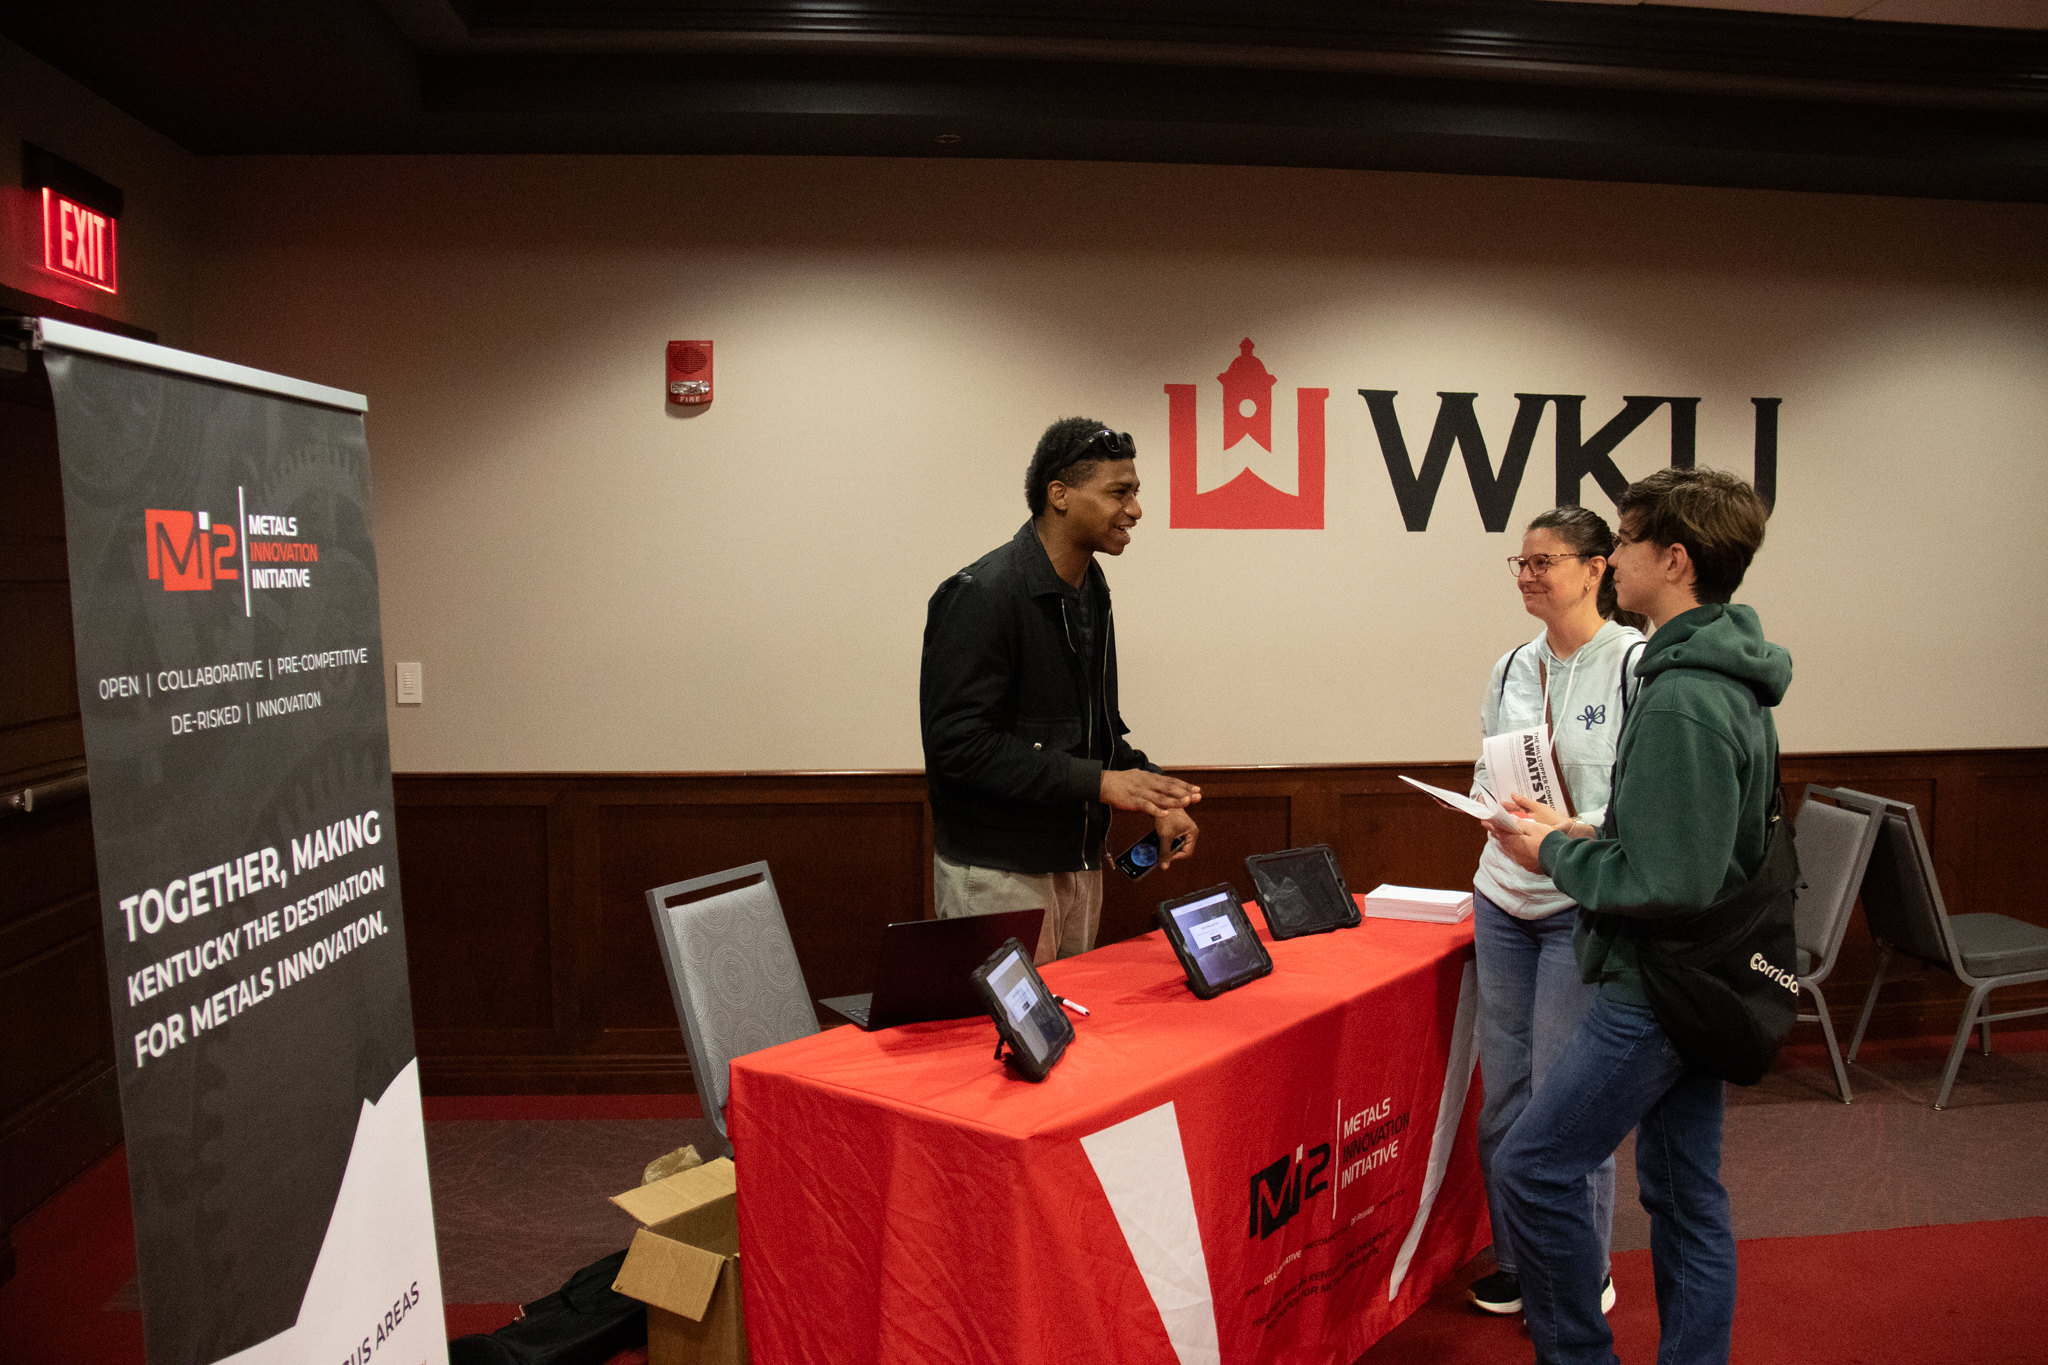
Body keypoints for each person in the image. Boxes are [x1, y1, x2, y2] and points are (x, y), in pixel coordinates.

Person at [1491, 466, 1787, 1365]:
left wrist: (1557, 853)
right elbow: (1682, 839)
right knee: (1685, 1192)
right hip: (1701, 978)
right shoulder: (1714, 668)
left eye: (1622, 541)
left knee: (1532, 1167)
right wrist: (1592, 829)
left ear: (1675, 557)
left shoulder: (1686, 695)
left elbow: (1669, 881)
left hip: (1661, 984)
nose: (1611, 556)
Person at [920, 417, 1199, 964]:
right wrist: (1099, 782)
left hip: (1077, 865)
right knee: (999, 1048)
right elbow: (959, 747)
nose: (1136, 510)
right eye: (1119, 492)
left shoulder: (1091, 589)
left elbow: (1092, 727)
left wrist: (1155, 793)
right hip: (998, 876)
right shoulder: (981, 595)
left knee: (1064, 1042)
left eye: (1136, 493)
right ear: (1060, 495)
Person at [1465, 507, 1645, 1320]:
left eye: (1546, 561)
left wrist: (1571, 831)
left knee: (1567, 1096)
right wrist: (1486, 812)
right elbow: (1482, 770)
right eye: (1522, 561)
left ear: (1597, 568)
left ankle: (1582, 1265)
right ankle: (1517, 1257)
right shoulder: (1509, 665)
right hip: (1503, 898)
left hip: (1581, 902)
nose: (1529, 574)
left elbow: (1639, 805)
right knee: (1502, 1091)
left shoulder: (1635, 665)